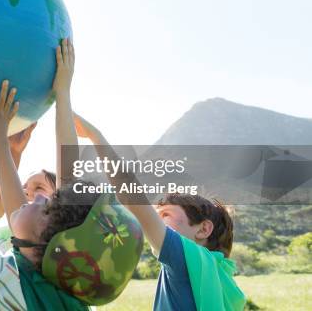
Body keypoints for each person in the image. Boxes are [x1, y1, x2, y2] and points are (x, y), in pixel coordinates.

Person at [0, 38, 141, 310]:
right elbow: (55, 196)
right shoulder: (69, 294)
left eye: (46, 207)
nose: (36, 199)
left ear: (49, 252)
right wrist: (1, 143)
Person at [73, 113, 247, 311]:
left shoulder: (186, 258)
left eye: (165, 214)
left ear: (203, 229)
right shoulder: (221, 277)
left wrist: (97, 137)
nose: (154, 219)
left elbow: (131, 197)